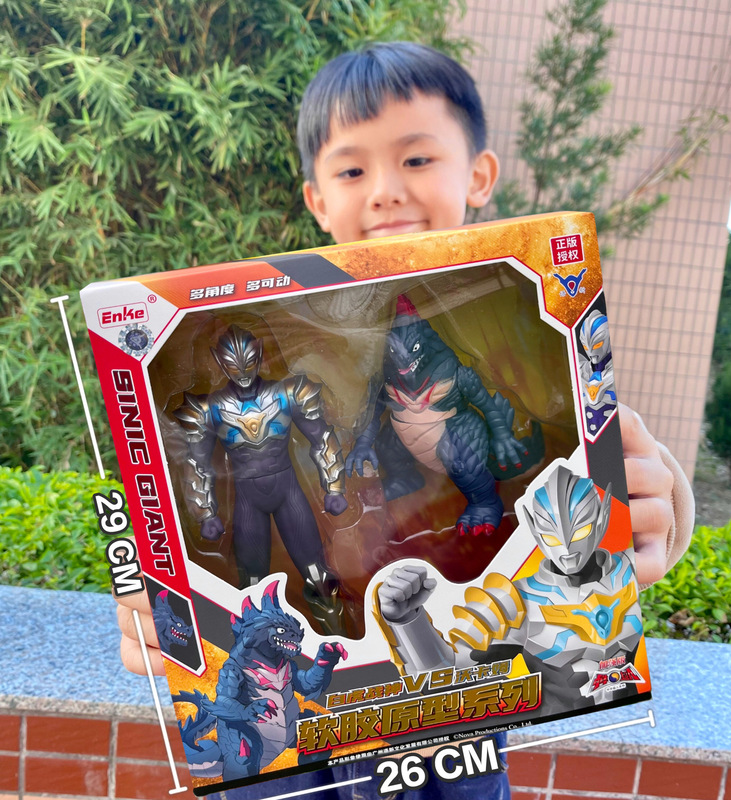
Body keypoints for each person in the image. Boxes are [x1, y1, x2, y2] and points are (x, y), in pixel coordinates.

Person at [115, 42, 695, 800]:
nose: (387, 192)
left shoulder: (509, 322)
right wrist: (156, 598)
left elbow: (596, 451)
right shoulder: (287, 332)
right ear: (317, 199)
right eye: (352, 171)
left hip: (451, 701)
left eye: (417, 159)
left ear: (478, 175)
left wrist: (660, 508)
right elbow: (172, 497)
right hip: (306, 703)